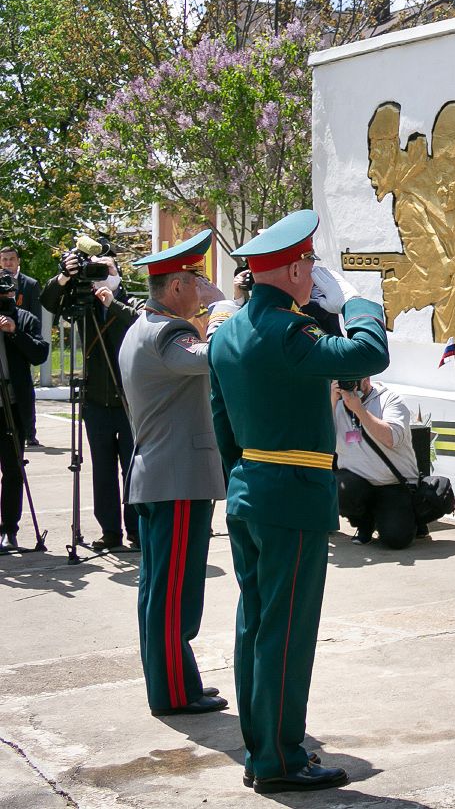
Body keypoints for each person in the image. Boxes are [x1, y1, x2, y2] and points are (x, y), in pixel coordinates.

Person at [209, 210, 388, 794]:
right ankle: (280, 760)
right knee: (286, 632)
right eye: (308, 262)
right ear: (290, 270)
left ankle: (260, 748)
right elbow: (368, 355)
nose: (313, 271)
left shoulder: (227, 333)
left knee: (256, 624)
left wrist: (247, 478)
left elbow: (222, 426)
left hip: (249, 490)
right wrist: (359, 304)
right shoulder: (290, 331)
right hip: (292, 497)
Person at [117, 229, 230, 716]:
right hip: (177, 477)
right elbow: (216, 358)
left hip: (161, 474)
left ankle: (177, 684)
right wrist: (224, 310)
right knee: (172, 596)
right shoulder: (168, 332)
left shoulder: (143, 327)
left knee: (161, 590)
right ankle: (173, 693)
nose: (203, 289)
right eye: (197, 281)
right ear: (178, 286)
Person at [41, 245, 138, 550]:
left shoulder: (130, 301)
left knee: (133, 469)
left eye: (107, 269)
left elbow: (141, 323)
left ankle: (137, 531)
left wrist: (113, 302)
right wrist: (64, 277)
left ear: (118, 273)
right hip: (96, 400)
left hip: (130, 402)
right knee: (103, 471)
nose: (102, 274)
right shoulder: (85, 304)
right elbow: (48, 302)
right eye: (97, 269)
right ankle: (110, 531)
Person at [333, 376, 422, 549]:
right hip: (356, 482)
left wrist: (359, 410)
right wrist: (332, 400)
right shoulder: (336, 403)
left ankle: (408, 518)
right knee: (335, 488)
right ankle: (364, 522)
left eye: (354, 380)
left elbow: (391, 438)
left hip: (393, 483)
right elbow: (322, 442)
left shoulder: (390, 399)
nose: (349, 385)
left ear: (366, 379)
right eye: (344, 380)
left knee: (396, 540)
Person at [0, 272, 48, 550]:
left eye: (7, 293)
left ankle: (9, 529)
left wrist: (14, 332)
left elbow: (40, 354)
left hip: (13, 405)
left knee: (13, 470)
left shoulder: (25, 318)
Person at [1, 246, 44, 447]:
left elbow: (35, 318)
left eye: (12, 259)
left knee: (23, 389)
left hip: (21, 340)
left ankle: (29, 432)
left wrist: (16, 330)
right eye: (4, 259)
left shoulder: (30, 285)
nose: (8, 263)